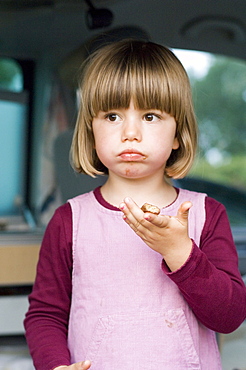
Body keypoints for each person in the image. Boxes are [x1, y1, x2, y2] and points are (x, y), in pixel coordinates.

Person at [24, 39, 246, 370]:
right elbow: (45, 315)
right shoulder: (70, 220)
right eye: (112, 116)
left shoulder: (206, 214)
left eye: (151, 116)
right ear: (91, 131)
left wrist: (180, 253)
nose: (130, 132)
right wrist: (55, 365)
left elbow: (229, 316)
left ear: (177, 136)